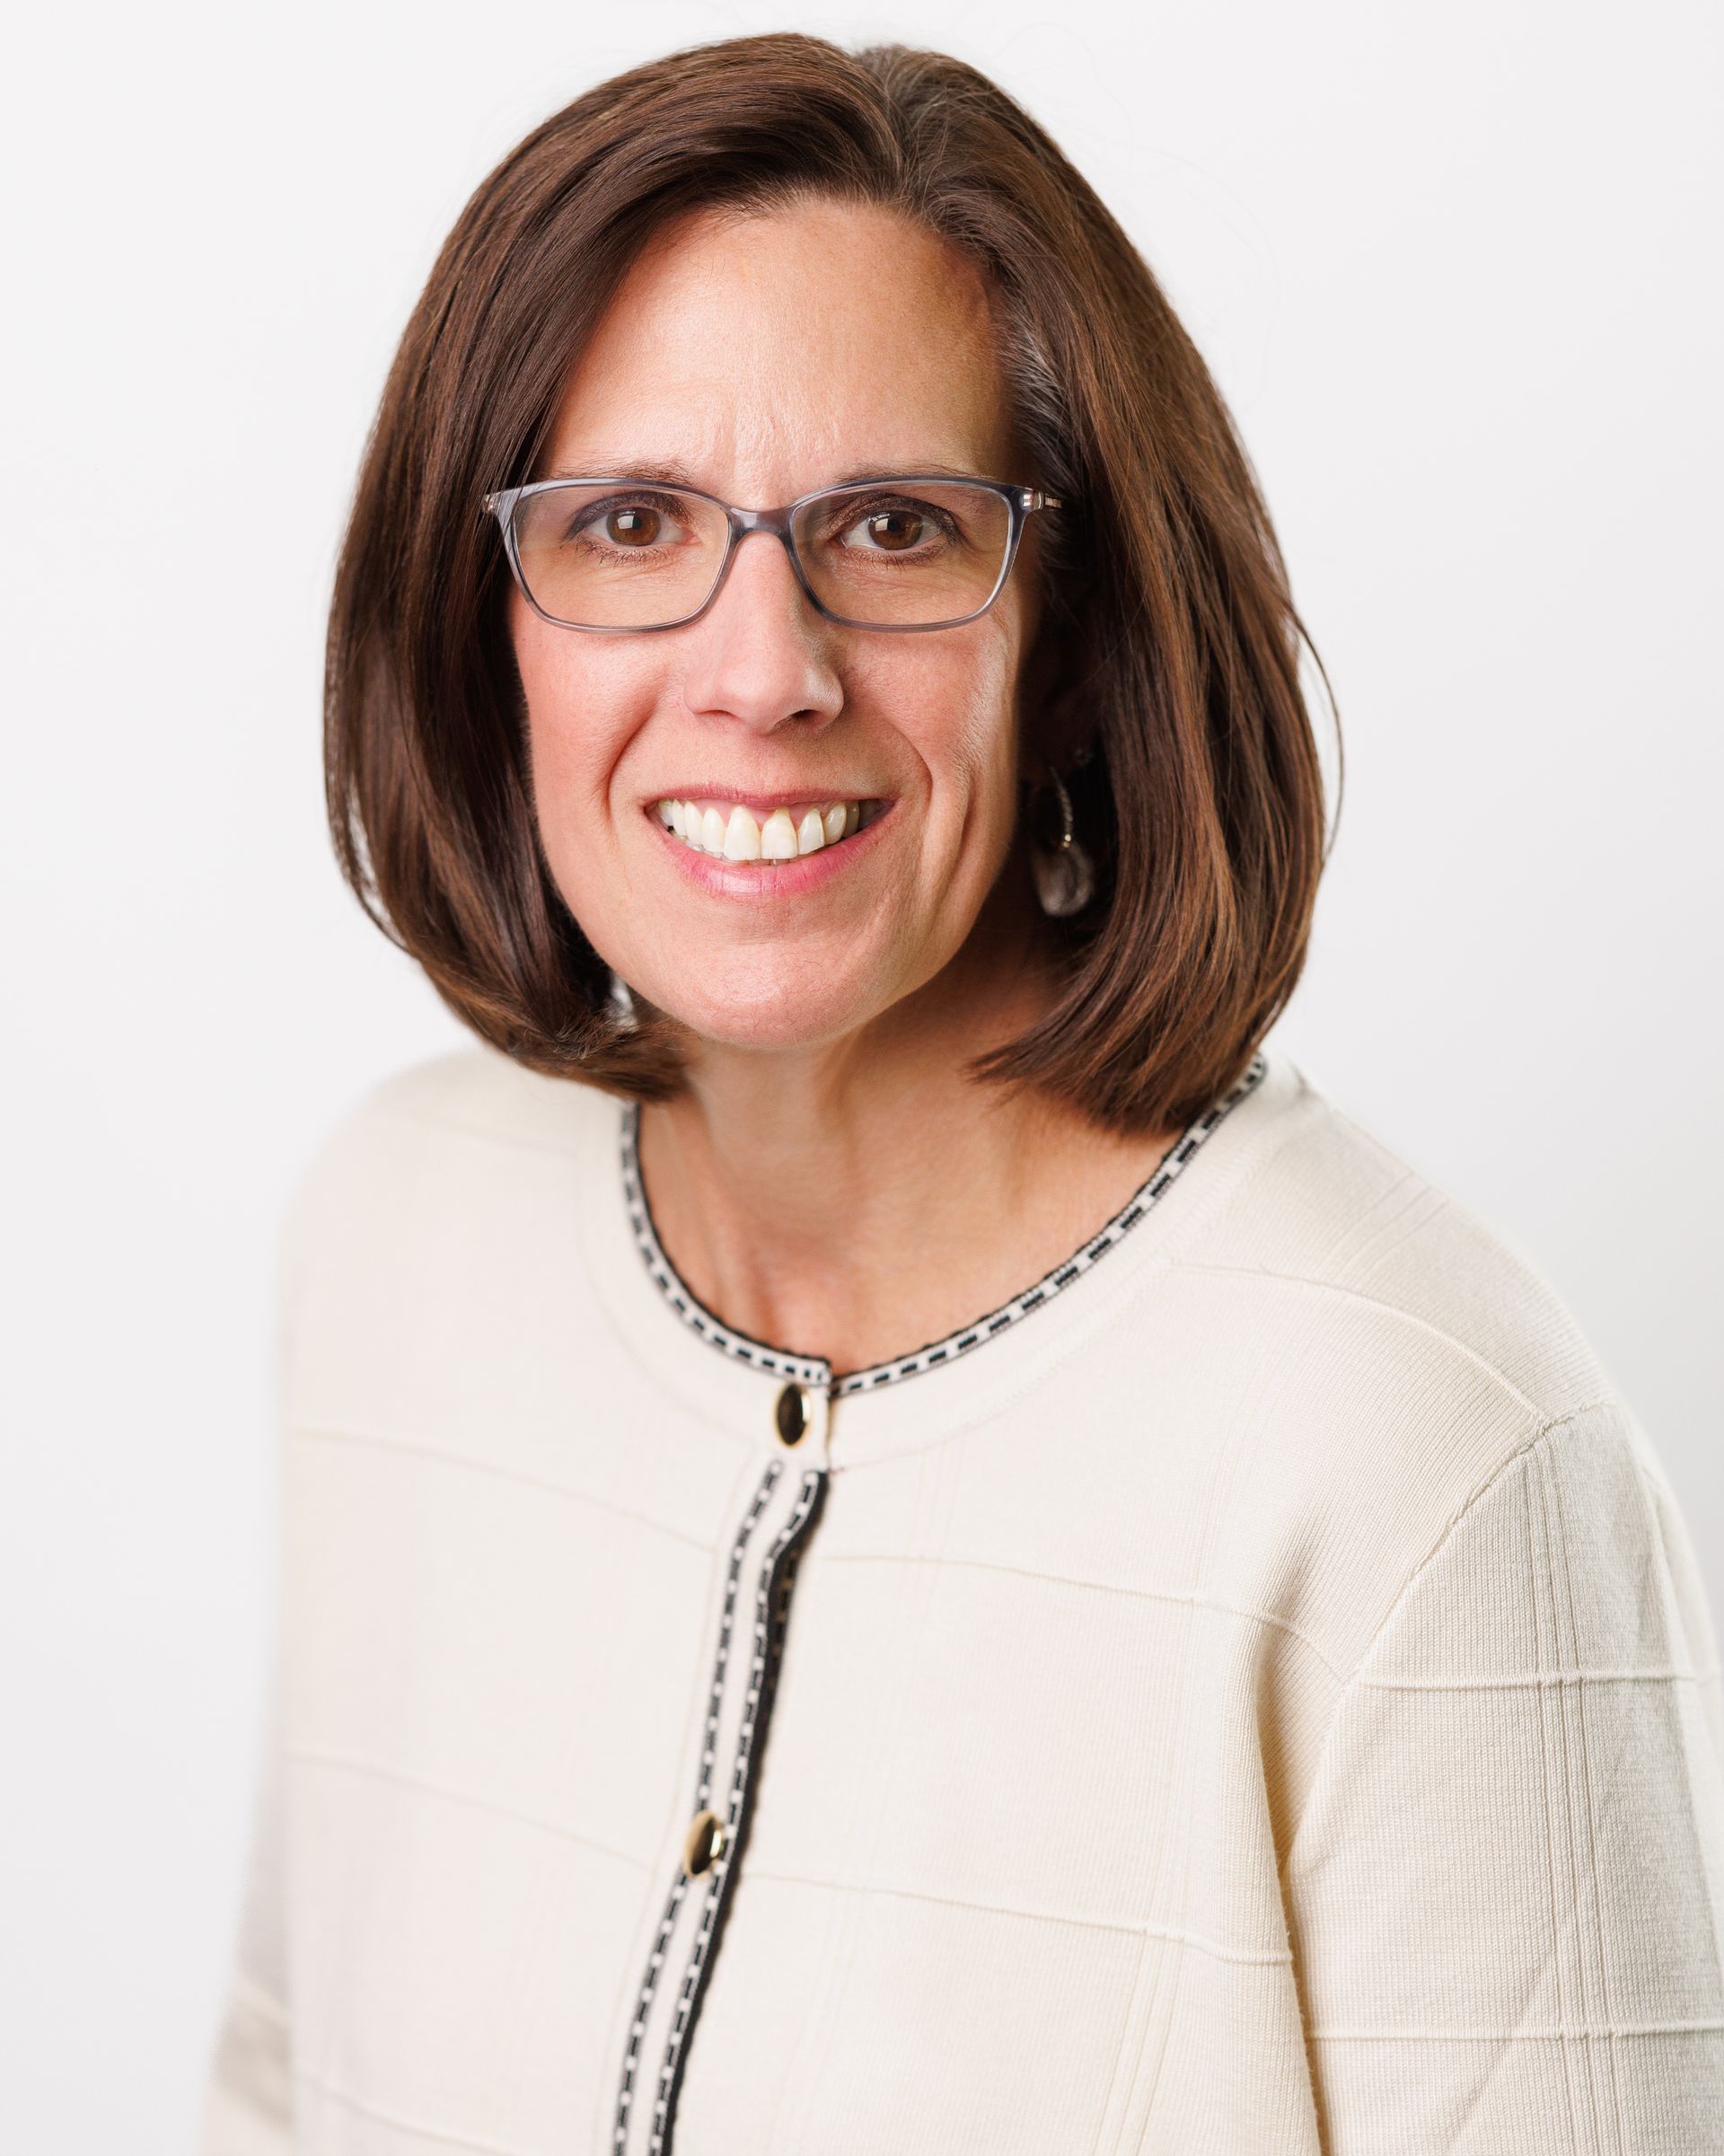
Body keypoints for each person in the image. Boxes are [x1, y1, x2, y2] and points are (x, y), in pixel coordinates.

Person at [198, 31, 1724, 2155]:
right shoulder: (393, 1238)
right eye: (631, 521)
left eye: (898, 529)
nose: (763, 668)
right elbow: (284, 2097)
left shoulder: (1421, 1443)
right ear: (486, 622)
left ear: (1080, 631)